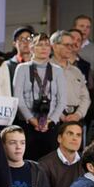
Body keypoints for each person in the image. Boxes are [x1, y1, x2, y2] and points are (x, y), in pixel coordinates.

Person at [13, 32, 66, 160]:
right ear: (31, 48)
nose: (43, 48)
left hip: (51, 124)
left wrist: (50, 120)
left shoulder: (57, 70)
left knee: (49, 163)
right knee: (29, 161)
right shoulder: (22, 68)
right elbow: (18, 98)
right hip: (28, 124)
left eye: (47, 45)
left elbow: (62, 100)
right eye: (39, 45)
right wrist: (31, 119)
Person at [49, 30, 91, 127]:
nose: (70, 48)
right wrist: (59, 115)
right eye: (66, 45)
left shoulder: (76, 71)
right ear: (54, 46)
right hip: (54, 121)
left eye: (71, 45)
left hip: (76, 120)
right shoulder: (46, 69)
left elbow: (85, 97)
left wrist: (78, 114)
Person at [38, 121, 85, 187]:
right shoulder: (44, 164)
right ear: (59, 138)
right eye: (70, 134)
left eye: (78, 135)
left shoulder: (86, 161)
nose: (75, 138)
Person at [74, 15, 94, 88]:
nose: (85, 29)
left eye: (88, 27)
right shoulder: (66, 47)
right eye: (82, 26)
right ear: (74, 27)